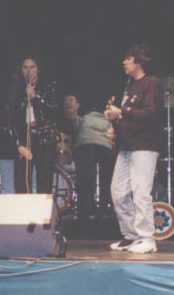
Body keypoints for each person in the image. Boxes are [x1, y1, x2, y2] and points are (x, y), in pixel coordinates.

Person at [105, 44, 163, 254]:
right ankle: (130, 235)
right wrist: (116, 128)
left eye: (128, 59)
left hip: (144, 146)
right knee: (118, 192)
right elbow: (128, 116)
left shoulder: (152, 83)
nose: (124, 62)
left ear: (139, 61)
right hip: (126, 146)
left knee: (140, 192)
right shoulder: (129, 87)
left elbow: (151, 114)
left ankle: (147, 238)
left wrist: (121, 112)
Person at [7, 56, 60, 194]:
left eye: (32, 67)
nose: (29, 71)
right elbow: (12, 121)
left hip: (44, 139)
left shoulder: (48, 87)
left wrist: (34, 98)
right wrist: (18, 144)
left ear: (38, 70)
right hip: (25, 139)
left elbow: (53, 112)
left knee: (44, 183)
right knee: (21, 183)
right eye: (25, 67)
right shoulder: (17, 91)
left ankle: (43, 208)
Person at [65, 93, 115, 220]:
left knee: (85, 179)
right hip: (104, 147)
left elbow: (74, 125)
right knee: (106, 178)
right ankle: (105, 208)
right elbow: (113, 135)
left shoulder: (84, 118)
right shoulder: (108, 120)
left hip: (85, 146)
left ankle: (84, 212)